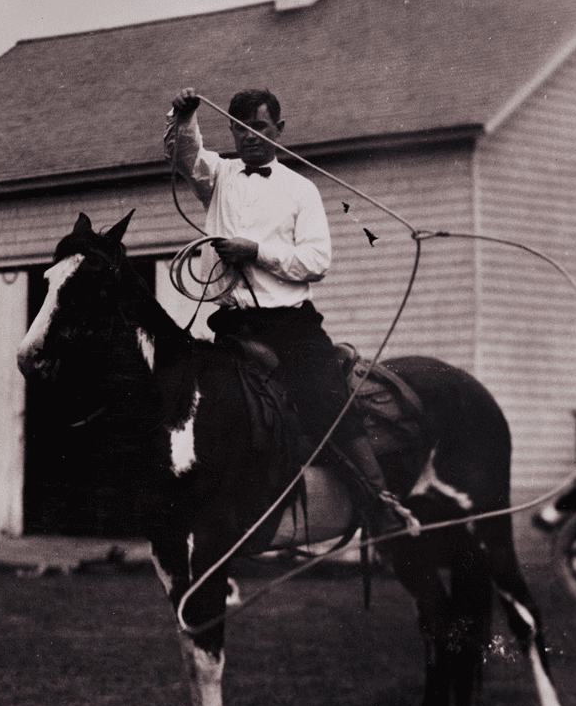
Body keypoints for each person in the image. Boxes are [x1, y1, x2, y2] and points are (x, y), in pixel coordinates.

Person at [164, 87, 418, 536]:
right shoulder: (217, 176)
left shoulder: (301, 190)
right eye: (240, 129)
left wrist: (256, 251)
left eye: (259, 127)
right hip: (233, 325)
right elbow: (185, 155)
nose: (250, 137)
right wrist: (184, 117)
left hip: (290, 326)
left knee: (326, 398)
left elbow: (316, 261)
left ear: (278, 130)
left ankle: (379, 501)